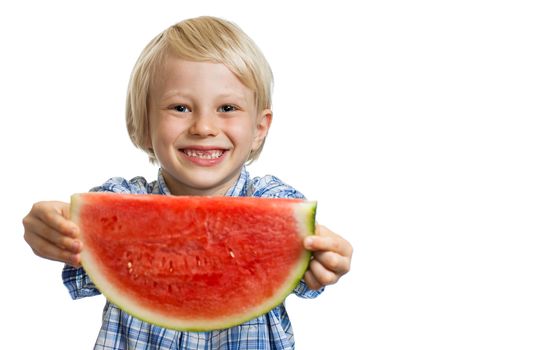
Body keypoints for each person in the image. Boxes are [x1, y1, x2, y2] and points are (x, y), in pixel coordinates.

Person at [22, 16, 353, 350]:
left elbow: (304, 242)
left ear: (259, 128)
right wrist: (51, 226)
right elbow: (80, 236)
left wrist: (325, 257)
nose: (204, 127)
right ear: (143, 125)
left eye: (227, 107)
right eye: (180, 107)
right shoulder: (125, 197)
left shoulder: (271, 198)